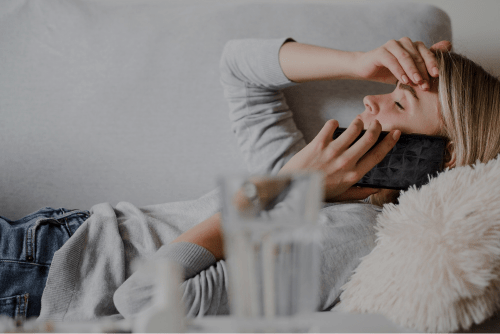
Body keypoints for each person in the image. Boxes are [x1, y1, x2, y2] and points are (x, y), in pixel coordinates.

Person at [1, 34, 498, 322]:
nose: (371, 100)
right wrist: (357, 62)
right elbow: (239, 68)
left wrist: (283, 188)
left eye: (399, 103)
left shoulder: (348, 235)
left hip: (52, 269)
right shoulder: (321, 175)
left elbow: (145, 301)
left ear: (445, 155)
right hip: (61, 237)